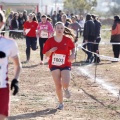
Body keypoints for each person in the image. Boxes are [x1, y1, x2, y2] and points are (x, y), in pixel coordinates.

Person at [43, 22, 75, 110]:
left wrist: (73, 54)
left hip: (66, 63)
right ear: (54, 29)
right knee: (58, 85)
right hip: (54, 64)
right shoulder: (49, 40)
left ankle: (66, 88)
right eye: (58, 28)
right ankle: (61, 103)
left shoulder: (67, 39)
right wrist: (50, 51)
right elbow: (46, 54)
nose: (59, 29)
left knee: (65, 82)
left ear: (64, 29)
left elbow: (73, 47)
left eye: (61, 28)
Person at [0, 10, 22, 120]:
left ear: (2, 24)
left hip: (2, 87)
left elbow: (18, 65)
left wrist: (15, 80)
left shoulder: (9, 43)